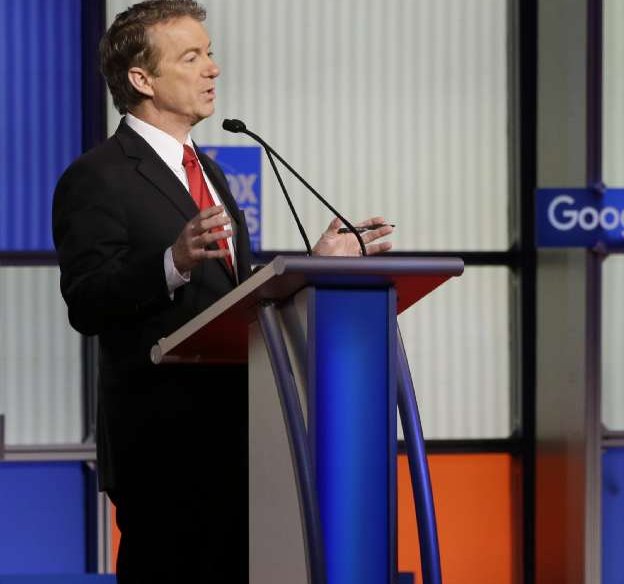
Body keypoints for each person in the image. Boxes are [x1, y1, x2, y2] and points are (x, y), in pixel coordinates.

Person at [51, 1, 393, 581]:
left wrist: (314, 264)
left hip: (242, 438)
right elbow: (87, 301)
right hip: (164, 450)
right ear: (142, 79)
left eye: (209, 53)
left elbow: (236, 300)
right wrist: (171, 261)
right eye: (192, 56)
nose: (213, 67)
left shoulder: (209, 172)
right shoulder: (97, 176)